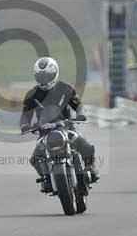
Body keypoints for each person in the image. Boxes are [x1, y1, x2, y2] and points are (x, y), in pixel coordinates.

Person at [20, 57, 100, 192]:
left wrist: (80, 114)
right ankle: (46, 179)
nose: (44, 80)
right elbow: (25, 115)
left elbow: (78, 105)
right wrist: (25, 126)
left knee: (85, 145)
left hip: (66, 126)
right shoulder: (31, 94)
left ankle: (89, 167)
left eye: (47, 76)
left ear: (54, 74)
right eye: (41, 76)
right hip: (44, 131)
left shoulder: (66, 89)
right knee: (35, 159)